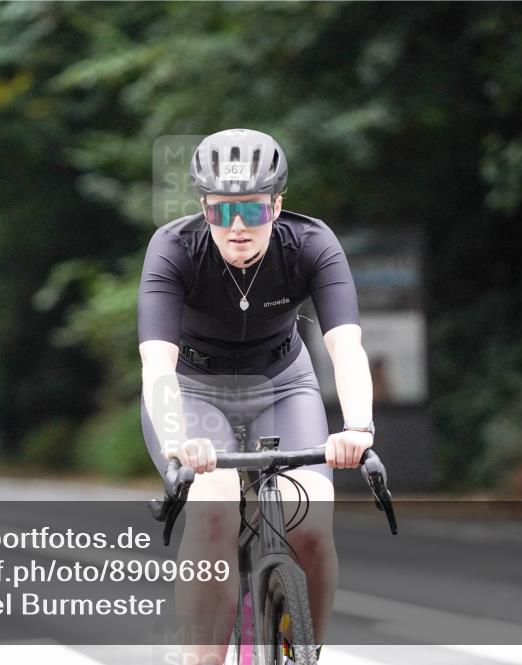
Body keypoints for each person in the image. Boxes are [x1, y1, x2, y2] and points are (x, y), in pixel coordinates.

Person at [138, 128, 375, 664]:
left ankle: (304, 653)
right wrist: (178, 440)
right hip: (195, 391)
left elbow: (347, 347)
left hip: (282, 385)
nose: (239, 226)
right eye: (222, 213)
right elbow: (157, 364)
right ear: (203, 209)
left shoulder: (312, 244)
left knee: (312, 522)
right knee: (216, 504)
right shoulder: (174, 249)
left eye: (253, 210)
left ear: (277, 205)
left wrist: (358, 427)